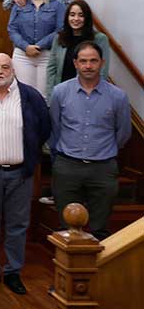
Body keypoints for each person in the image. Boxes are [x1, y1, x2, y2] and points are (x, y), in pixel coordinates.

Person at [0, 53, 50, 294]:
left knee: (18, 224)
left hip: (21, 173)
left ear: (13, 70)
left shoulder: (30, 96)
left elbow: (44, 128)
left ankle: (14, 271)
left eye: (5, 67)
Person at [49, 41, 131, 240]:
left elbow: (124, 133)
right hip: (67, 166)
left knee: (100, 229)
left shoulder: (118, 96)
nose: (88, 65)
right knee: (67, 228)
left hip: (103, 169)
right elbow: (54, 128)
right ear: (75, 63)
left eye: (93, 61)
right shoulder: (60, 92)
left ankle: (98, 271)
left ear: (101, 63)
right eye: (83, 61)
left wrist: (104, 151)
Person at [6, 0, 66, 98]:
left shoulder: (57, 5)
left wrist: (39, 46)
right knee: (24, 94)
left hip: (47, 55)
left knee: (44, 95)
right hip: (22, 55)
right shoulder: (20, 4)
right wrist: (26, 47)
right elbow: (12, 28)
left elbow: (60, 29)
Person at [45, 0, 110, 98]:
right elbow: (51, 69)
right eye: (72, 14)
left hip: (88, 95)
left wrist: (93, 95)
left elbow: (102, 72)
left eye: (81, 15)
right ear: (67, 17)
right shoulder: (59, 38)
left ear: (87, 18)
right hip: (62, 94)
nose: (76, 18)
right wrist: (51, 96)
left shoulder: (100, 39)